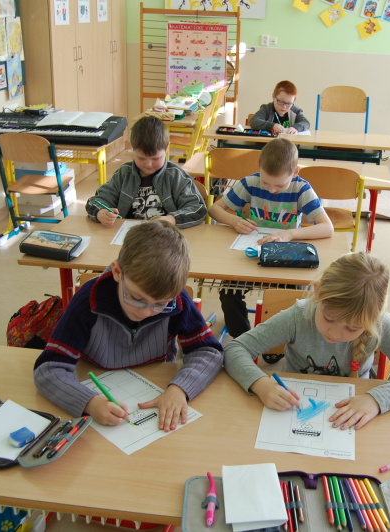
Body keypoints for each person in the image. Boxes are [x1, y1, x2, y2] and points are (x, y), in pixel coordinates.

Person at [33, 220, 224, 431]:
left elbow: (209, 352)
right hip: (96, 379)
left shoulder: (177, 302)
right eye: (136, 298)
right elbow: (49, 369)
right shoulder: (88, 301)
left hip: (155, 382)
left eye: (160, 304)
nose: (145, 312)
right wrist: (89, 402)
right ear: (117, 272)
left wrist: (180, 389)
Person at [223, 252, 390, 430]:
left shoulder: (379, 324)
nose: (334, 333)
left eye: (352, 328)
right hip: (293, 407)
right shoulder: (298, 317)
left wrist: (375, 399)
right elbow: (235, 349)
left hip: (354, 410)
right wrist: (261, 384)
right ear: (318, 293)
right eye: (328, 318)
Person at [208, 137, 334, 339]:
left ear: (295, 172)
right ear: (260, 167)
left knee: (295, 297)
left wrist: (289, 233)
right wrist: (234, 221)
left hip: (286, 258)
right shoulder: (251, 182)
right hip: (251, 254)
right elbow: (215, 209)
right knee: (228, 291)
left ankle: (279, 338)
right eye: (266, 182)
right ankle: (243, 339)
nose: (271, 190)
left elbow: (327, 228)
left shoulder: (301, 189)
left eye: (280, 185)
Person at [85, 115, 206, 228]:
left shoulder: (176, 176)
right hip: (130, 234)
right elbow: (95, 201)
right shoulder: (123, 174)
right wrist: (100, 213)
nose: (148, 164)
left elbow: (198, 209)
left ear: (166, 148)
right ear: (132, 149)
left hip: (165, 235)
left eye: (155, 158)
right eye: (141, 158)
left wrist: (172, 219)